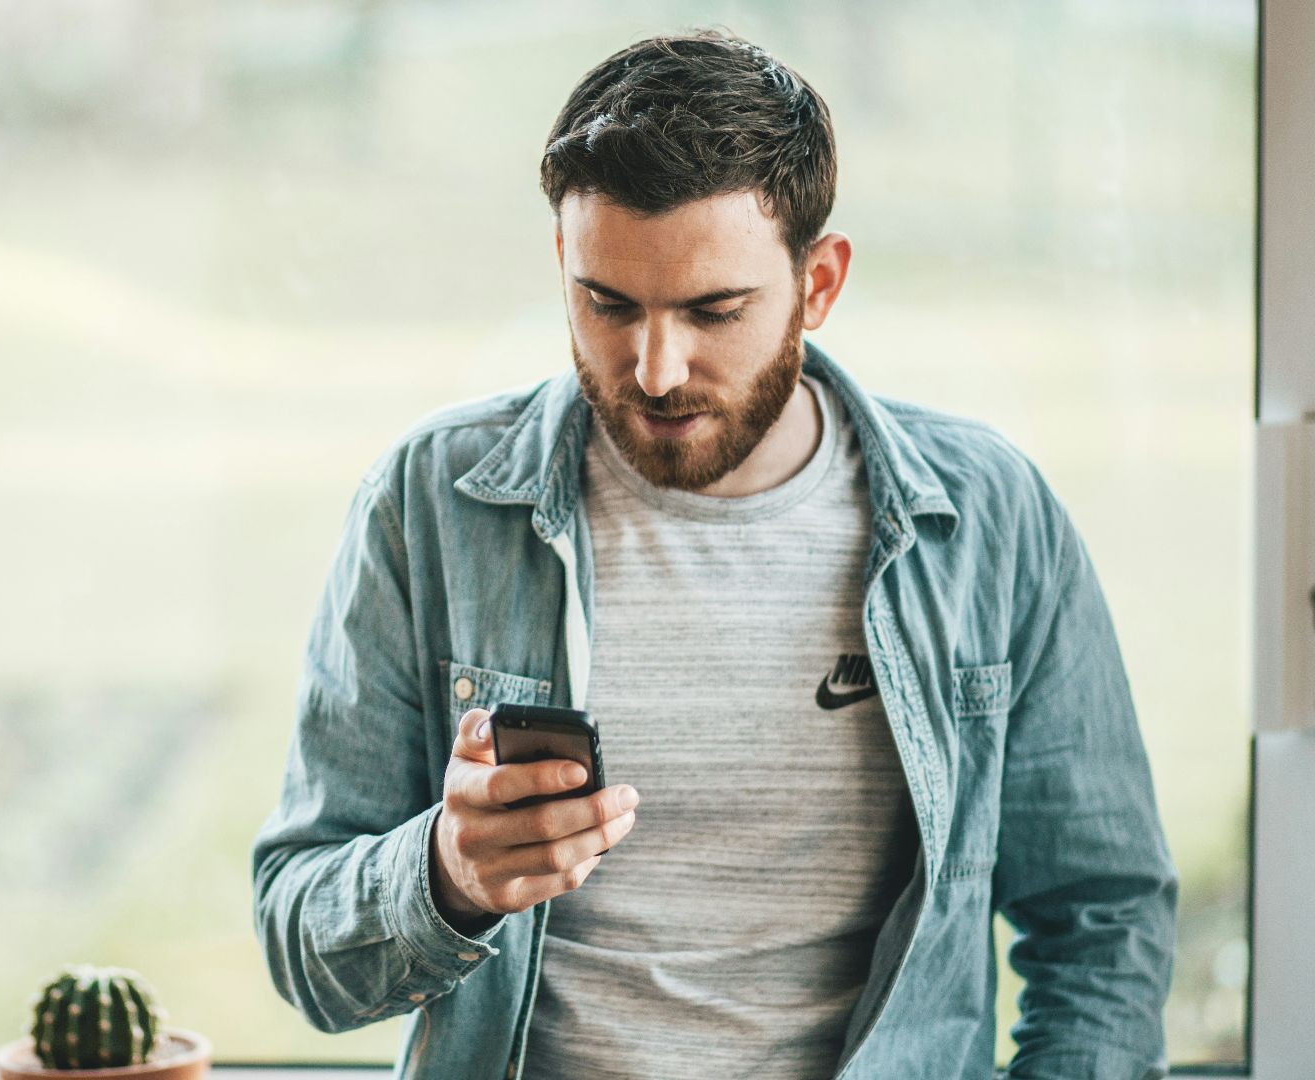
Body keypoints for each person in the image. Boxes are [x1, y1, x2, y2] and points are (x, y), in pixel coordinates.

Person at [251, 28, 1177, 1080]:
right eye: (608, 305)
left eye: (713, 311)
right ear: (563, 262)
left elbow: (1102, 920)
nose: (653, 369)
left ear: (818, 284)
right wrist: (446, 874)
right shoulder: (430, 504)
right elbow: (303, 943)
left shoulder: (990, 520)